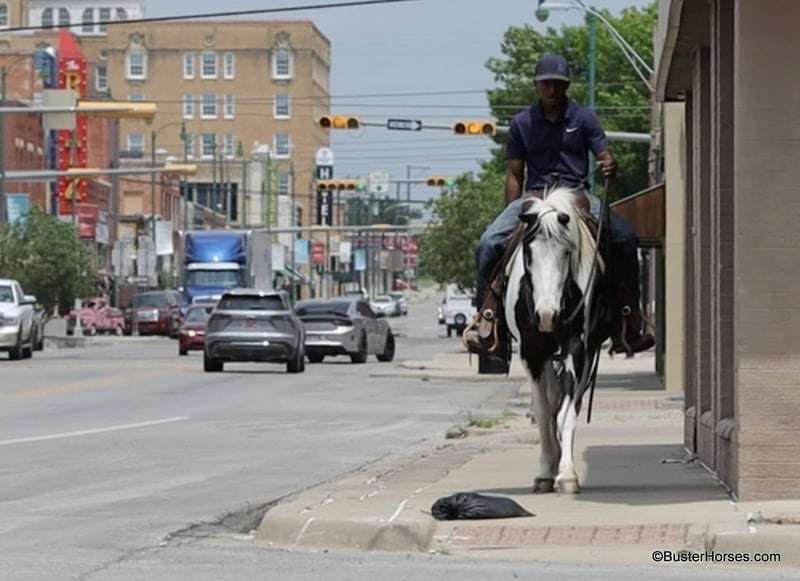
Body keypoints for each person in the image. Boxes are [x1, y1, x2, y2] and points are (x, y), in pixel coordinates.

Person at [463, 54, 655, 358]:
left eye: (558, 84)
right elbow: (514, 173)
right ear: (536, 85)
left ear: (566, 86)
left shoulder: (584, 118)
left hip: (576, 195)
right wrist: (513, 212)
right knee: (488, 243)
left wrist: (610, 165)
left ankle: (630, 321)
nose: (552, 89)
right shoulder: (522, 123)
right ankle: (488, 321)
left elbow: (604, 156)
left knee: (625, 239)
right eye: (546, 84)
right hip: (535, 196)